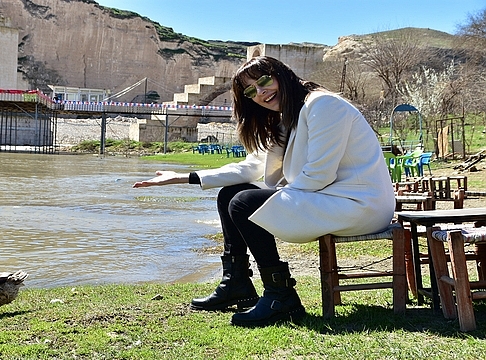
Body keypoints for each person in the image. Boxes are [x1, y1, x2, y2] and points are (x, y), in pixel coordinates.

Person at [132, 56, 395, 327]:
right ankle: (237, 283)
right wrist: (186, 177)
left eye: (264, 81)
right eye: (250, 91)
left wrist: (277, 199)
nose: (260, 93)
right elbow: (251, 167)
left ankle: (281, 295)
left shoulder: (323, 104)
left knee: (246, 202)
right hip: (328, 198)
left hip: (359, 205)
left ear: (282, 74)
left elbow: (319, 174)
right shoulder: (287, 117)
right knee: (230, 194)